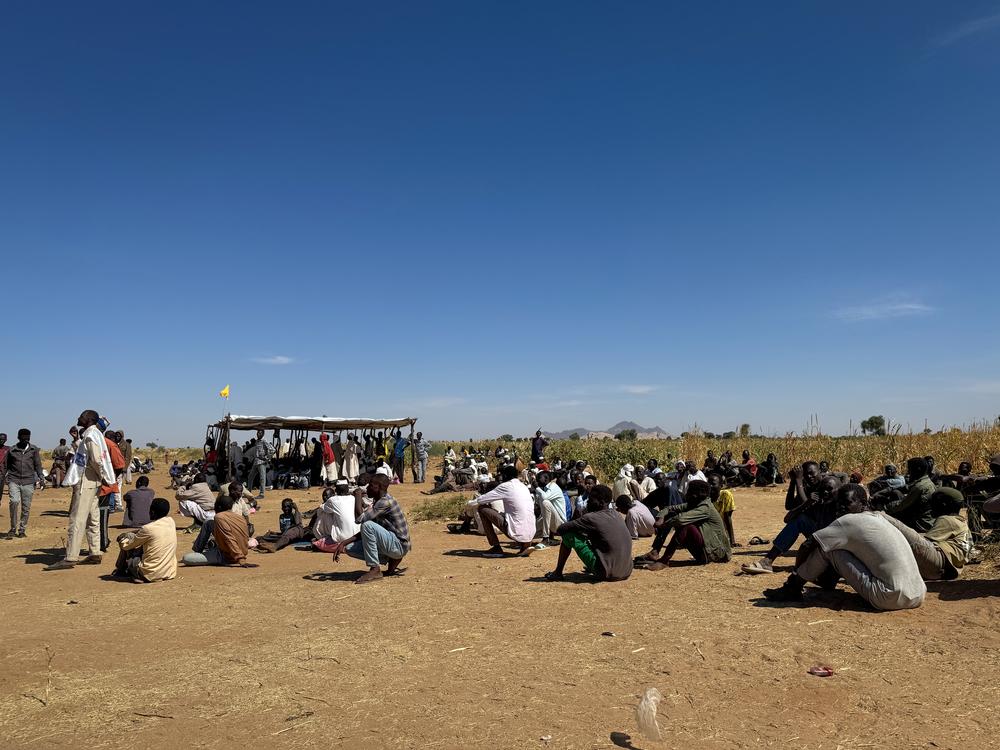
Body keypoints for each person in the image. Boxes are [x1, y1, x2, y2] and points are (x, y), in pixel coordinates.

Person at [764, 484, 926, 610]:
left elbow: (807, 544)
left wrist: (796, 573)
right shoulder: (879, 518)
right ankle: (825, 580)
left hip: (888, 597)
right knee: (840, 545)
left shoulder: (848, 521)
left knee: (830, 549)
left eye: (847, 503)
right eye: (839, 503)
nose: (841, 507)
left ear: (863, 503)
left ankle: (792, 588)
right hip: (918, 594)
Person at [47, 410, 117, 570]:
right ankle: (95, 552)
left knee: (77, 519)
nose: (79, 418)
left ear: (89, 419)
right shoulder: (94, 434)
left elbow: (97, 460)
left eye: (82, 416)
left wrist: (102, 477)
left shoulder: (91, 435)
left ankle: (71, 557)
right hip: (92, 482)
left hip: (86, 482)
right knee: (93, 518)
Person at [741, 469, 841, 575]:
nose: (825, 492)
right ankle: (767, 560)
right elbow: (788, 516)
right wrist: (804, 498)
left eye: (829, 489)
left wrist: (798, 483)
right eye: (806, 475)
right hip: (821, 541)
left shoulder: (843, 503)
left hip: (837, 546)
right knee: (800, 520)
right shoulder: (818, 498)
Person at [327, 474, 411, 584]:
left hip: (399, 545)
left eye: (370, 485)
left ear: (378, 487)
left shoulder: (385, 501)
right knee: (349, 548)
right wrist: (343, 543)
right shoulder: (378, 502)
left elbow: (360, 519)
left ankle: (375, 569)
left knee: (367, 525)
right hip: (393, 542)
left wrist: (357, 496)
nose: (367, 488)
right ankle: (392, 559)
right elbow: (368, 531)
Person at [879, 487, 972, 580]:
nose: (930, 507)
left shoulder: (946, 519)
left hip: (937, 561)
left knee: (899, 527)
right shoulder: (961, 522)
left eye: (933, 503)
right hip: (943, 569)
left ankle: (877, 514)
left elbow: (925, 543)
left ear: (944, 505)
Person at [545, 485, 633, 582]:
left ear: (601, 502)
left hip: (606, 572)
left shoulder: (591, 518)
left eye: (591, 499)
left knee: (569, 535)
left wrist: (578, 527)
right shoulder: (617, 514)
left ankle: (557, 573)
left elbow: (561, 529)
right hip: (626, 571)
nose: (588, 501)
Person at [642, 479, 731, 570]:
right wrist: (660, 517)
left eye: (688, 491)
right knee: (674, 515)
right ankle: (655, 551)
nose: (686, 494)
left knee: (685, 526)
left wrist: (663, 525)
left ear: (695, 495)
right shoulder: (696, 503)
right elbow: (669, 508)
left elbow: (680, 519)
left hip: (715, 554)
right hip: (706, 551)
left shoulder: (705, 508)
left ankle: (664, 561)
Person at [471, 464, 536, 558]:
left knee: (482, 508)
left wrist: (468, 504)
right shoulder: (523, 486)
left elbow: (481, 500)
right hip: (531, 532)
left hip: (515, 531)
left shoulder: (506, 486)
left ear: (505, 476)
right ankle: (524, 546)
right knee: (517, 515)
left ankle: (496, 547)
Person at [113, 498, 177, 583]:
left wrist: (122, 538)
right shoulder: (171, 522)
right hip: (168, 571)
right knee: (146, 543)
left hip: (149, 573)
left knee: (128, 538)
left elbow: (127, 546)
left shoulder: (148, 529)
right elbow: (149, 531)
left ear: (152, 512)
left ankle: (122, 570)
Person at [182, 495, 252, 566]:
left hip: (228, 556)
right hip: (240, 552)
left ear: (218, 507)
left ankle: (201, 552)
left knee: (186, 558)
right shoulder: (240, 518)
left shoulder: (219, 517)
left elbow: (229, 538)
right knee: (209, 523)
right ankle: (198, 550)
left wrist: (240, 558)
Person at [872, 457, 935, 532]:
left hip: (920, 523)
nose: (908, 473)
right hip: (925, 519)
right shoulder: (926, 482)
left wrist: (883, 508)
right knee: (895, 493)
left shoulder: (919, 487)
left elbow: (902, 504)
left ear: (918, 469)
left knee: (886, 518)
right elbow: (903, 489)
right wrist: (882, 494)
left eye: (910, 469)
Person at [4, 428, 44, 539]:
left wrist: (41, 478)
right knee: (14, 501)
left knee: (26, 507)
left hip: (28, 481)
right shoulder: (12, 450)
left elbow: (38, 465)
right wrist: (4, 478)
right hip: (14, 480)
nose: (26, 440)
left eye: (28, 438)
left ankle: (22, 530)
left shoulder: (34, 450)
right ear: (18, 438)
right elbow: (6, 466)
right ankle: (13, 528)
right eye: (23, 438)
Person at [534, 471, 567, 548]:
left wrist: (536, 487)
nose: (537, 480)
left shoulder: (553, 487)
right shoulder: (544, 489)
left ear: (546, 478)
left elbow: (545, 498)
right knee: (529, 535)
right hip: (553, 522)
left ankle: (546, 539)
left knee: (545, 503)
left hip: (560, 524)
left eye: (539, 478)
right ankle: (551, 538)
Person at [707, 473, 738, 547]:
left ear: (721, 486)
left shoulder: (725, 495)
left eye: (713, 484)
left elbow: (727, 518)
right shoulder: (705, 497)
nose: (710, 486)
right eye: (708, 484)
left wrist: (732, 541)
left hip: (720, 528)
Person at [248, 430, 273, 498]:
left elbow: (272, 449)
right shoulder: (257, 441)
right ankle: (248, 492)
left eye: (260, 433)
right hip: (256, 461)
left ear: (263, 434)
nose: (258, 434)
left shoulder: (264, 441)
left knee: (262, 478)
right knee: (250, 477)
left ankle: (262, 494)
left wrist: (267, 458)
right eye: (257, 432)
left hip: (261, 462)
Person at [0, 433, 8, 504]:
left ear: (6, 440)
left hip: (2, 474)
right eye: (0, 439)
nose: (1, 440)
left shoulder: (8, 449)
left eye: (3, 439)